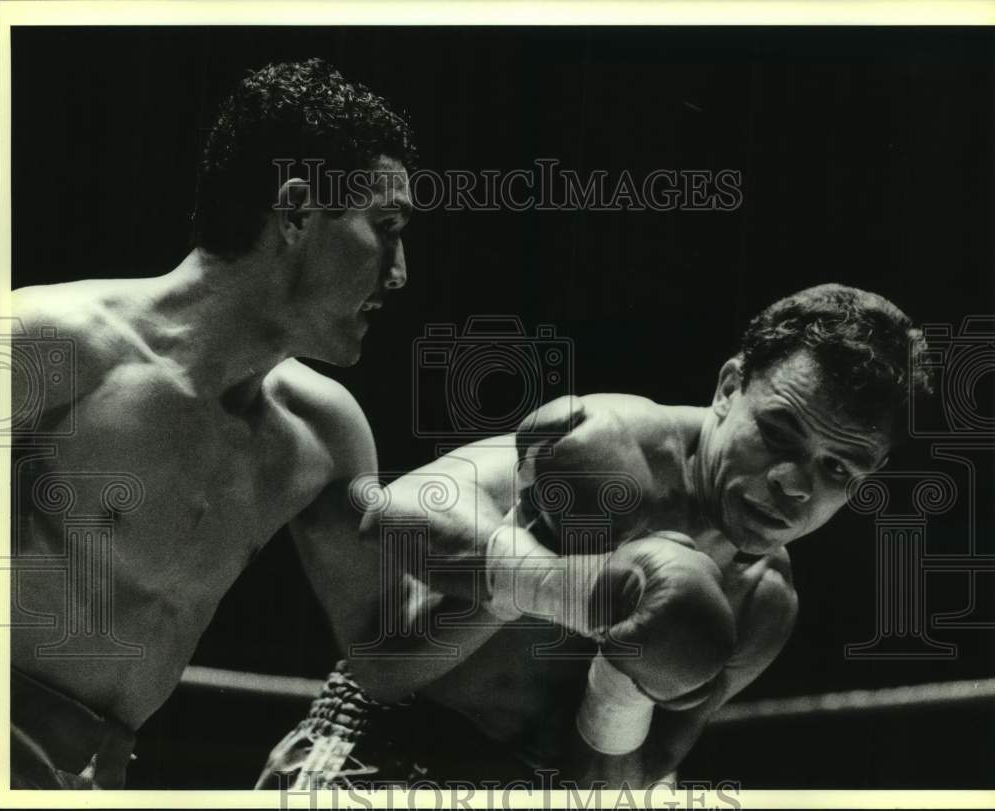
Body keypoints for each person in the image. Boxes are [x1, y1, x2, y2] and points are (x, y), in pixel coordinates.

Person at [259, 283, 933, 790]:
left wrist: (622, 689)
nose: (794, 483)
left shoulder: (761, 602)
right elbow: (391, 517)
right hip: (383, 742)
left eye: (837, 470)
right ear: (730, 387)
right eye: (779, 432)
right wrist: (573, 591)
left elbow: (614, 786)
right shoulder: (613, 452)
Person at [8, 58, 415, 789]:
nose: (398, 272)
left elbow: (388, 654)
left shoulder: (322, 434)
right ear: (297, 212)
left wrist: (541, 575)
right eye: (385, 228)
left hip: (105, 773)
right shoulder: (49, 341)